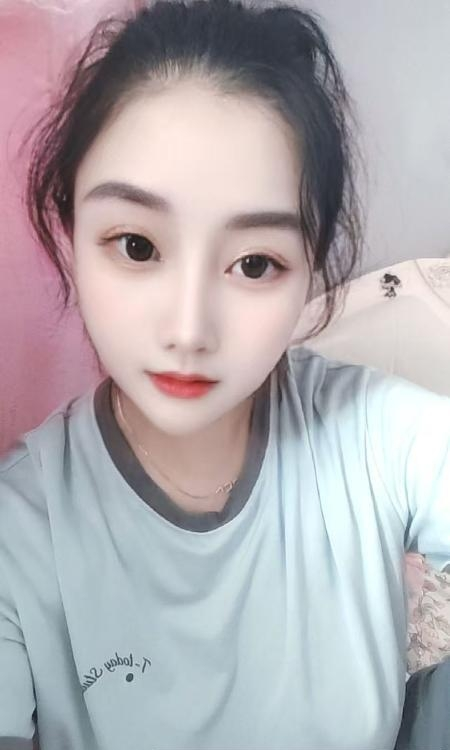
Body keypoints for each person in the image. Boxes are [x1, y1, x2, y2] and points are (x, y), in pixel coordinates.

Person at [0, 0, 449, 748]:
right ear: (71, 230)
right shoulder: (21, 531)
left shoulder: (374, 434)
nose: (188, 330)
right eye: (137, 246)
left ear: (310, 267)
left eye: (255, 263)